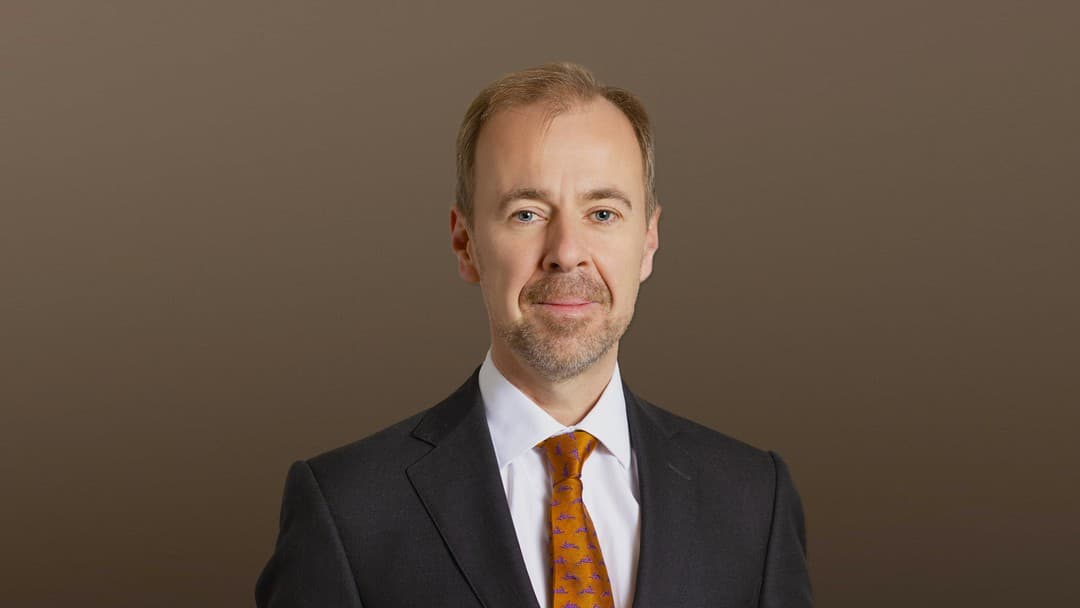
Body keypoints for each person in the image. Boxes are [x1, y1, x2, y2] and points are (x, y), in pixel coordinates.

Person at [255, 61, 812, 608]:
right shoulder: (347, 510)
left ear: (648, 241)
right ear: (465, 243)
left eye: (603, 213)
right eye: (526, 213)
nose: (566, 252)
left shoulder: (754, 501)